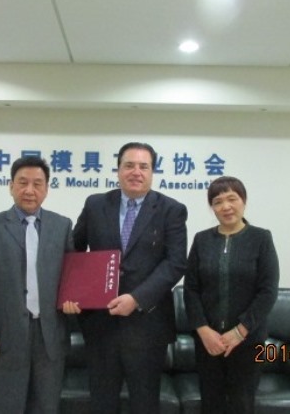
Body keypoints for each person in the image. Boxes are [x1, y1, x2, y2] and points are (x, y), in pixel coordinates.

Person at [62, 142, 188, 414]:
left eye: (144, 166)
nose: (136, 172)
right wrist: (72, 293)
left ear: (152, 172)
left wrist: (137, 298)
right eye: (129, 165)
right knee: (102, 402)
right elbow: (74, 251)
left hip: (147, 326)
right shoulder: (95, 204)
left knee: (145, 404)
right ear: (118, 169)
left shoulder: (171, 210)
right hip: (100, 325)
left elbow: (176, 263)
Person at [0, 156, 74, 414]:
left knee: (46, 406)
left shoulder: (62, 226)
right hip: (6, 335)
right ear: (11, 186)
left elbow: (71, 276)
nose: (30, 190)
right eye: (23, 182)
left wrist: (75, 299)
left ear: (47, 188)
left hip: (50, 335)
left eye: (37, 184)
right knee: (6, 406)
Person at [184, 176, 280, 414]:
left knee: (242, 404)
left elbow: (268, 291)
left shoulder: (261, 238)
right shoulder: (202, 240)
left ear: (243, 201)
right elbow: (191, 288)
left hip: (248, 341)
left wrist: (240, 331)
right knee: (211, 403)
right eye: (217, 202)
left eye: (232, 199)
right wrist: (203, 330)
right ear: (212, 207)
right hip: (209, 341)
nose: (225, 206)